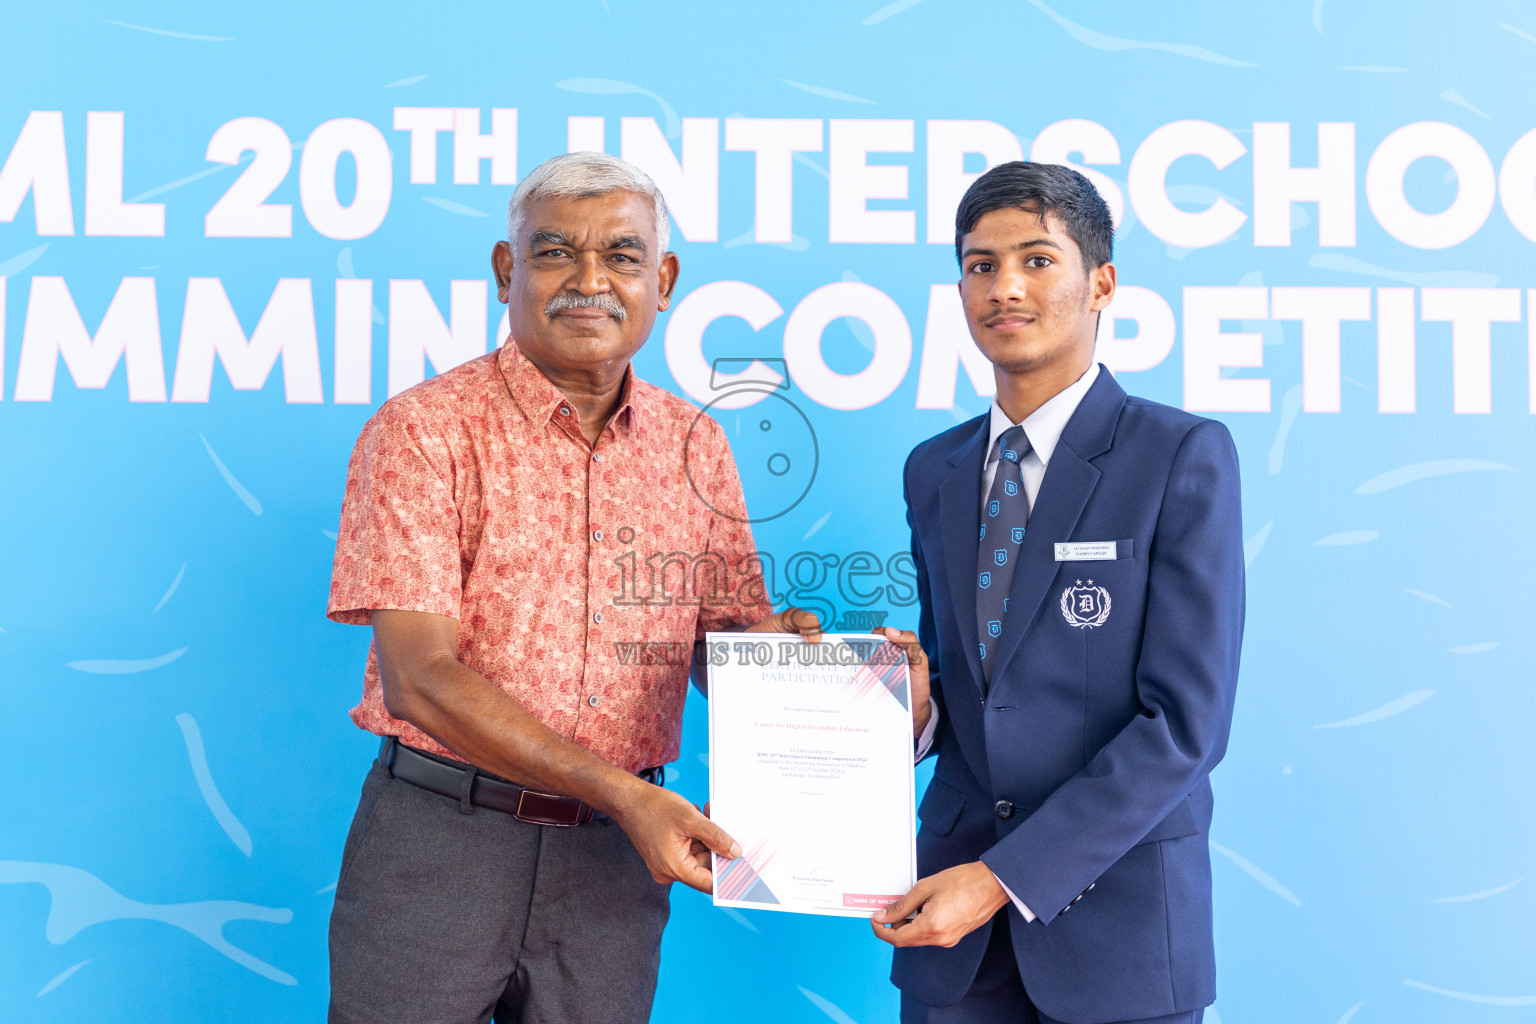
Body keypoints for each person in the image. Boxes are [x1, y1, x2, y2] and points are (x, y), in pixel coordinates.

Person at [324, 151, 817, 1024]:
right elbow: (421, 679)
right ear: (507, 270)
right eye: (555, 254)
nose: (589, 280)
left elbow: (722, 651)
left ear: (661, 281)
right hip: (442, 842)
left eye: (622, 257)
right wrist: (625, 795)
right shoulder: (423, 431)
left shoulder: (695, 445)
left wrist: (813, 671)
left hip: (611, 869)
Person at [871, 162, 1244, 1024]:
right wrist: (918, 712)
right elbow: (974, 695)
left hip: (1117, 935)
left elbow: (1185, 726)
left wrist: (1002, 880)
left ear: (1101, 282)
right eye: (980, 265)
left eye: (1038, 260)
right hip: (951, 950)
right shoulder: (937, 470)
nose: (1005, 287)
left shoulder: (1178, 455)